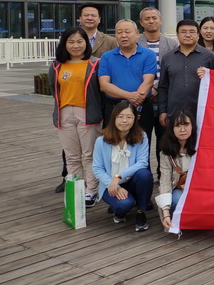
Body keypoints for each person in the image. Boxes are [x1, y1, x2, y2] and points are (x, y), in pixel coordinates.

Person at [49, 26, 103, 207]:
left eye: (80, 41)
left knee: (89, 155)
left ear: (86, 43)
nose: (76, 45)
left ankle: (91, 191)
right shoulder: (57, 65)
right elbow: (54, 89)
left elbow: (100, 91)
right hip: (64, 113)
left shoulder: (95, 63)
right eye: (71, 42)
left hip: (87, 113)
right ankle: (77, 190)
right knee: (71, 156)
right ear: (64, 44)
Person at [92, 100, 152, 232]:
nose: (124, 120)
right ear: (114, 118)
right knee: (124, 204)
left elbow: (142, 162)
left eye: (129, 117)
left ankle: (141, 212)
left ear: (135, 119)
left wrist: (118, 176)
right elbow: (97, 168)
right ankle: (119, 211)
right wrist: (114, 184)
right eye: (120, 116)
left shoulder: (141, 136)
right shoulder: (101, 140)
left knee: (145, 174)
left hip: (131, 181)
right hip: (110, 185)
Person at [98, 20, 157, 135]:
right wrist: (129, 97)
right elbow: (104, 85)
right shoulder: (106, 57)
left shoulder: (148, 54)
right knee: (114, 142)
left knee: (141, 142)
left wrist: (134, 104)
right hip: (114, 108)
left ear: (137, 33)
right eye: (119, 32)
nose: (123, 35)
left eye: (127, 32)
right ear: (115, 35)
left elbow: (148, 81)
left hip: (141, 108)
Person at [137, 7, 179, 164]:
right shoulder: (135, 43)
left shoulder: (172, 44)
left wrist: (156, 88)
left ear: (160, 20)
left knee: (165, 142)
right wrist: (149, 89)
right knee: (142, 141)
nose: (151, 21)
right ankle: (144, 173)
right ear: (141, 22)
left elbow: (173, 72)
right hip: (142, 101)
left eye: (154, 18)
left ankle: (164, 174)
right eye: (147, 18)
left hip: (165, 102)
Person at [158, 19, 214, 126]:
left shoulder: (209, 56)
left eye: (192, 32)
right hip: (174, 111)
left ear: (198, 35)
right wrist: (162, 111)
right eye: (183, 32)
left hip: (201, 111)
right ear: (177, 34)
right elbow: (163, 87)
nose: (188, 35)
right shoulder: (168, 57)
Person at [156, 110, 196, 231]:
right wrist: (165, 213)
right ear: (171, 129)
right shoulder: (166, 153)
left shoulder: (201, 147)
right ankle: (175, 220)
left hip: (198, 188)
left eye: (186, 124)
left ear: (192, 126)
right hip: (178, 188)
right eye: (178, 125)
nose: (182, 129)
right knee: (177, 200)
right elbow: (165, 182)